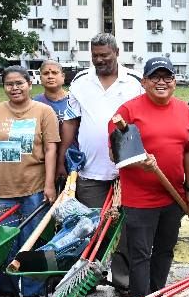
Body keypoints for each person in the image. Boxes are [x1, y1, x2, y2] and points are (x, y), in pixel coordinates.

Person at [114, 57, 189, 297]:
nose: (161, 82)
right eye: (155, 77)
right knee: (140, 254)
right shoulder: (127, 111)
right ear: (144, 82)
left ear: (174, 81)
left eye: (167, 77)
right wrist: (140, 161)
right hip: (140, 198)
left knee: (164, 251)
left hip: (173, 195)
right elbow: (117, 153)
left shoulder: (184, 109)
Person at [0, 66, 60, 297]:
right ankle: (4, 288)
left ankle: (33, 290)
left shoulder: (43, 112)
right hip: (0, 190)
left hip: (35, 189)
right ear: (3, 86)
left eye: (20, 83)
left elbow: (51, 149)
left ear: (29, 84)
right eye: (9, 84)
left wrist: (49, 185)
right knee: (3, 244)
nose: (15, 88)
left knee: (36, 241)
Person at [58, 34, 143, 208]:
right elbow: (70, 122)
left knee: (127, 230)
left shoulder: (136, 81)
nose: (99, 60)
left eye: (105, 55)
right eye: (95, 55)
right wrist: (61, 160)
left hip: (129, 170)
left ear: (117, 52)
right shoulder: (80, 80)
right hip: (90, 170)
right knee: (95, 228)